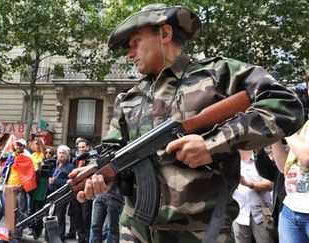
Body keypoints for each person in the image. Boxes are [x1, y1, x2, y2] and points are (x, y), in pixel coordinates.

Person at [72, 4, 304, 242]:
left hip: (203, 233)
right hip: (134, 232)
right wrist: (97, 175)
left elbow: (286, 104)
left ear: (164, 34)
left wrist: (212, 144)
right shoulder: (128, 98)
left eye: (135, 43)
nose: (130, 53)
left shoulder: (219, 74)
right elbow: (112, 151)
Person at [271, 84, 309, 242]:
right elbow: (283, 167)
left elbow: (306, 155)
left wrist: (287, 126)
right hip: (290, 208)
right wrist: (274, 133)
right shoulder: (306, 125)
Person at [232, 150, 275, 243]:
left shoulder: (261, 158)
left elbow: (270, 185)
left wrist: (248, 184)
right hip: (239, 215)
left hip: (261, 215)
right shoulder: (231, 161)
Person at [2, 139, 37, 242]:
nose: (18, 146)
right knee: (9, 213)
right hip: (8, 188)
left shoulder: (27, 159)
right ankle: (9, 234)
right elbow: (5, 172)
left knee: (19, 213)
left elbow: (30, 176)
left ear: (24, 147)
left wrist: (21, 187)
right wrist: (4, 185)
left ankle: (17, 236)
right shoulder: (11, 157)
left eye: (21, 145)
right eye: (17, 145)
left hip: (19, 190)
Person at [45, 145, 74, 242]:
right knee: (48, 216)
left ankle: (60, 238)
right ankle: (47, 238)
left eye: (63, 153)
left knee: (60, 217)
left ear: (67, 155)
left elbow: (69, 182)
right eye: (60, 153)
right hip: (50, 193)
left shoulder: (70, 166)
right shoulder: (54, 164)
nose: (61, 155)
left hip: (61, 195)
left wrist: (55, 181)